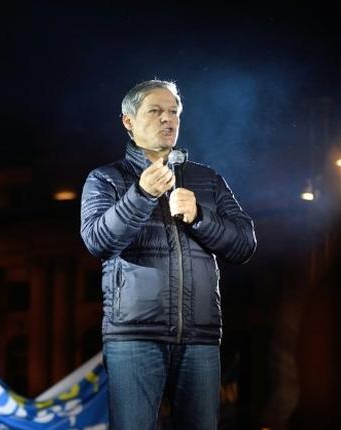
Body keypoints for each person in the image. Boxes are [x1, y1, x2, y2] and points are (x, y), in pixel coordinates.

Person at [80, 79, 256, 429]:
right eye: (156, 111)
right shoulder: (106, 179)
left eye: (174, 112)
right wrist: (141, 195)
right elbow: (98, 241)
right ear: (128, 122)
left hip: (200, 338)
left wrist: (201, 218)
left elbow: (245, 244)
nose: (168, 119)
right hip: (134, 337)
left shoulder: (207, 180)